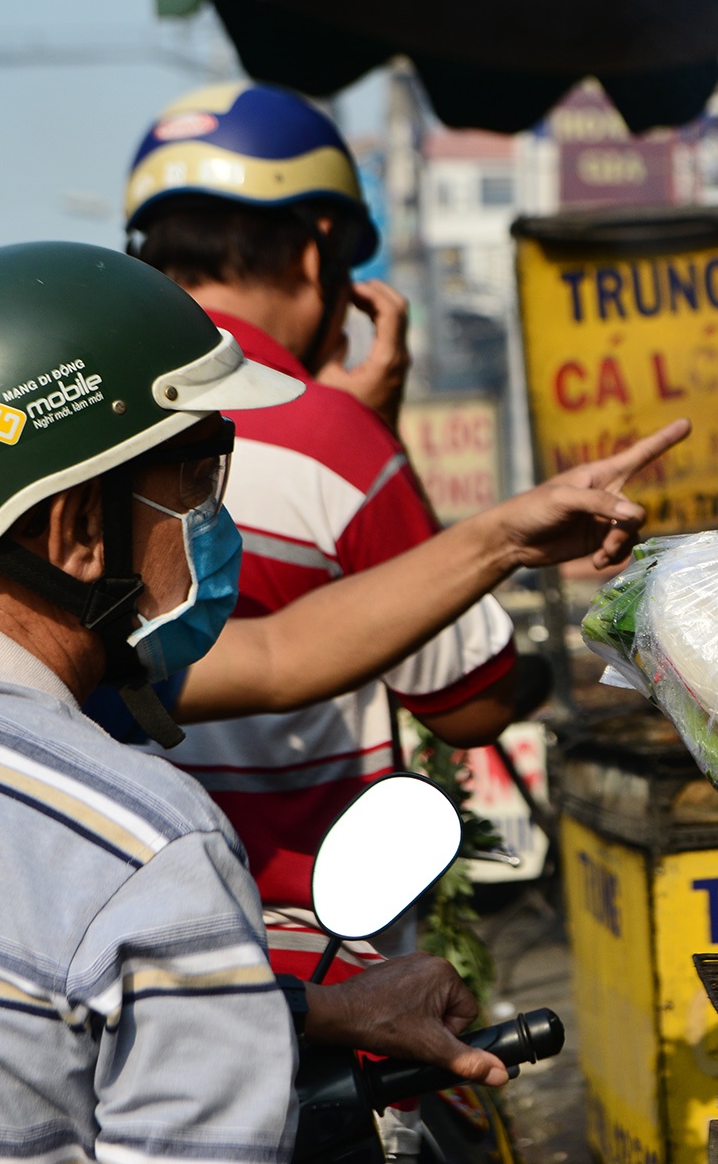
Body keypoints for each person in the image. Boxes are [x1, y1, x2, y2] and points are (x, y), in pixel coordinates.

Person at [0, 243, 645, 1156]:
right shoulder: (142, 847)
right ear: (80, 532)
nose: (212, 522)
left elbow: (283, 653)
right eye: (199, 484)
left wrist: (306, 1008)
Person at [119, 82, 528, 957]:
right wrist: (377, 437)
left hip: (127, 952)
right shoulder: (337, 443)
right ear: (316, 256)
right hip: (322, 963)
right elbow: (473, 704)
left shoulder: (86, 428)